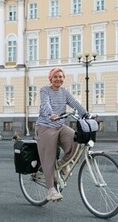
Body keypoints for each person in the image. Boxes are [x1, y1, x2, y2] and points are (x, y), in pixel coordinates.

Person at [35, 67, 88, 202]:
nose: (58, 79)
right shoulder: (45, 90)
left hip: (59, 126)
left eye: (60, 76)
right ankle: (51, 190)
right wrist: (51, 114)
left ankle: (61, 164)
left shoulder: (64, 92)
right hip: (45, 127)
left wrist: (86, 114)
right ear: (50, 79)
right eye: (55, 76)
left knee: (76, 140)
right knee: (49, 156)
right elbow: (45, 103)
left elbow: (74, 103)